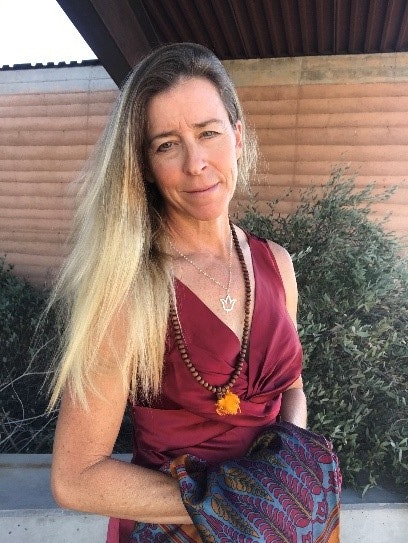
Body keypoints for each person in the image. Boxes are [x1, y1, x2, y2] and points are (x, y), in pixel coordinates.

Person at [49, 43, 339, 543]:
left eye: (208, 133)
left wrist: (287, 464)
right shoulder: (128, 289)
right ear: (144, 166)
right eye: (167, 145)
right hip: (175, 531)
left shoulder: (277, 265)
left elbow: (290, 386)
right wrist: (235, 504)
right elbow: (75, 478)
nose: (196, 163)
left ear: (238, 136)